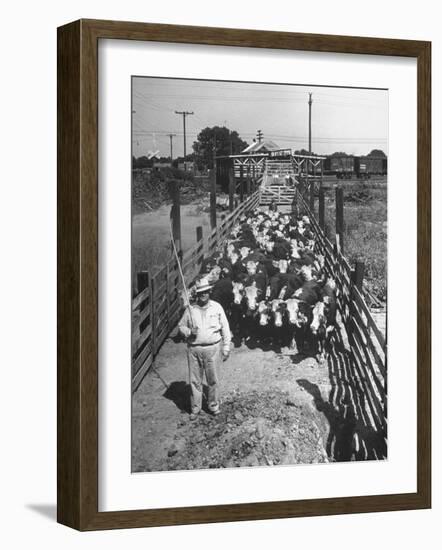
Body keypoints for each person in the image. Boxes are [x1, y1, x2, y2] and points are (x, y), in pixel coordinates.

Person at [178, 278, 231, 420]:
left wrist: (226, 347)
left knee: (213, 379)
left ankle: (213, 405)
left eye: (206, 292)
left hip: (213, 348)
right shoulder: (191, 309)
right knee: (195, 380)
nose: (203, 295)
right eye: (201, 292)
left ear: (209, 292)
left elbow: (225, 327)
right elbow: (181, 326)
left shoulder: (217, 307)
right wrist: (189, 332)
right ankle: (195, 408)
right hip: (194, 349)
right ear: (197, 294)